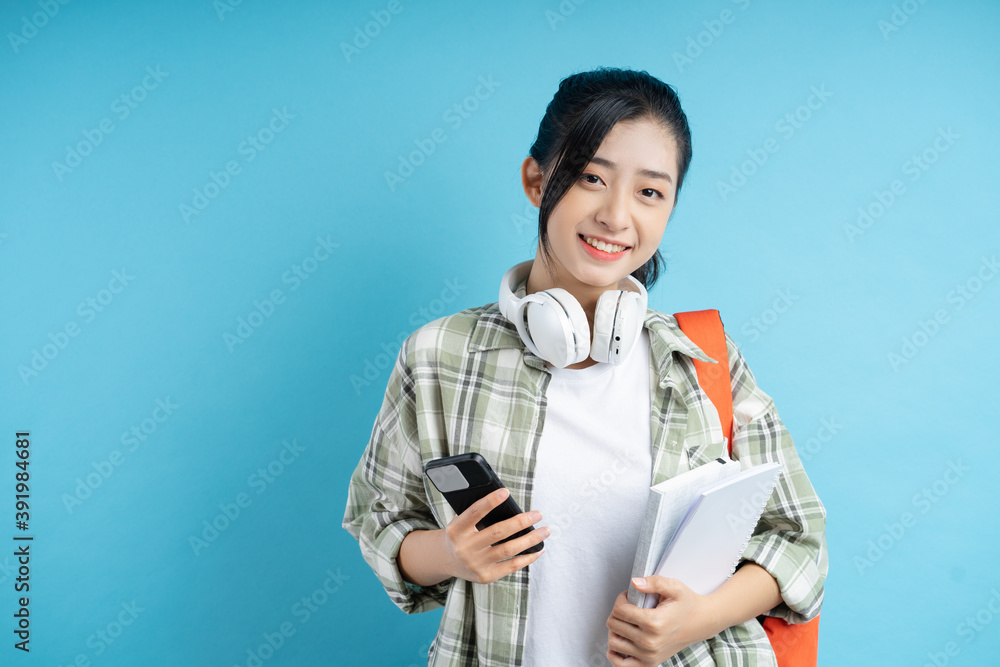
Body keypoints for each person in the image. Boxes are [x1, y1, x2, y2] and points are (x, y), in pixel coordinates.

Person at [343, 66, 827, 666]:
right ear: (536, 179)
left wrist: (696, 619)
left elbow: (797, 539)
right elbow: (379, 521)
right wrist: (452, 554)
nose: (616, 216)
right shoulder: (439, 355)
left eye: (650, 191)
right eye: (592, 177)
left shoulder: (702, 359)